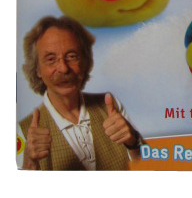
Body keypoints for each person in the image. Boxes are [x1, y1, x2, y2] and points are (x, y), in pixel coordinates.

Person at [17, 16, 143, 170]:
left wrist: (133, 142)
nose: (63, 68)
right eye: (51, 59)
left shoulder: (111, 106)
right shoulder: (22, 132)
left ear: (84, 61)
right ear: (37, 69)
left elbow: (148, 167)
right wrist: (29, 162)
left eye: (72, 56)